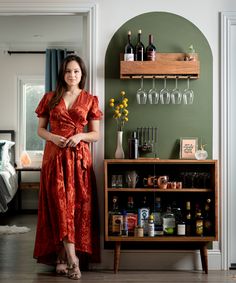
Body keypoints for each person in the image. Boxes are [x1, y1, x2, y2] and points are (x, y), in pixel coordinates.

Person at [33, 54, 102, 280]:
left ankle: (62, 257)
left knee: (75, 208)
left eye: (76, 72)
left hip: (79, 160)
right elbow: (40, 130)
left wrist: (80, 135)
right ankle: (73, 260)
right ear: (62, 74)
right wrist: (53, 138)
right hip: (54, 158)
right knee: (58, 207)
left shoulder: (90, 99)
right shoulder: (50, 98)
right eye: (68, 71)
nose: (72, 75)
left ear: (82, 75)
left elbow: (96, 134)